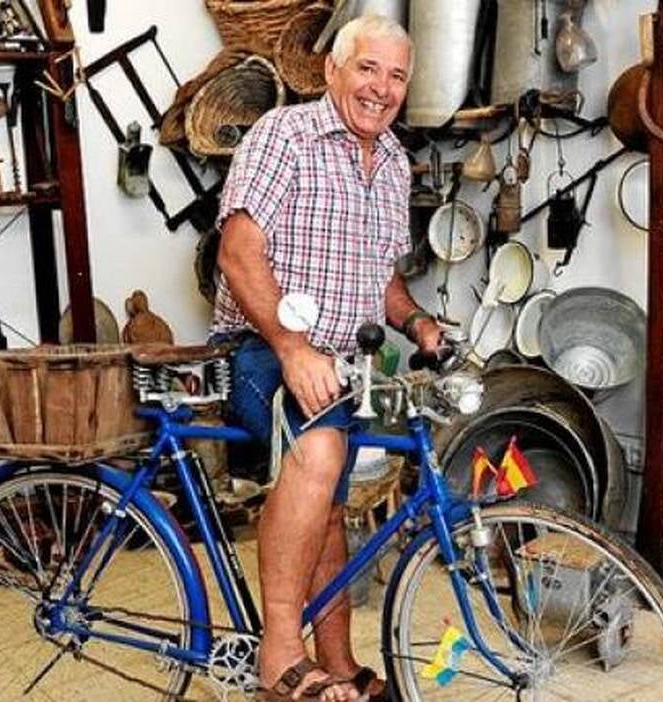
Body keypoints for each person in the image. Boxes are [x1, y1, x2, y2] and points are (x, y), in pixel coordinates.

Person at [211, 14, 441, 702]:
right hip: (258, 349)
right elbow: (237, 254)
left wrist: (417, 321)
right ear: (332, 70)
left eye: (396, 76)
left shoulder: (393, 161)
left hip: (341, 363)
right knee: (319, 452)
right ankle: (280, 651)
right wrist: (292, 347)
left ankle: (337, 662)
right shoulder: (285, 135)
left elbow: (381, 276)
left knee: (331, 501)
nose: (381, 88)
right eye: (367, 68)